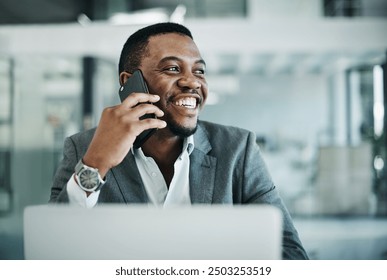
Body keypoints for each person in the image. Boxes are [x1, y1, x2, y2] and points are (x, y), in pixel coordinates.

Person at [49, 22, 309, 260]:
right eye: (173, 68)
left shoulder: (238, 149)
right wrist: (95, 164)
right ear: (131, 83)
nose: (192, 82)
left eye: (200, 71)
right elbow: (53, 252)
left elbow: (291, 254)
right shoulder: (84, 148)